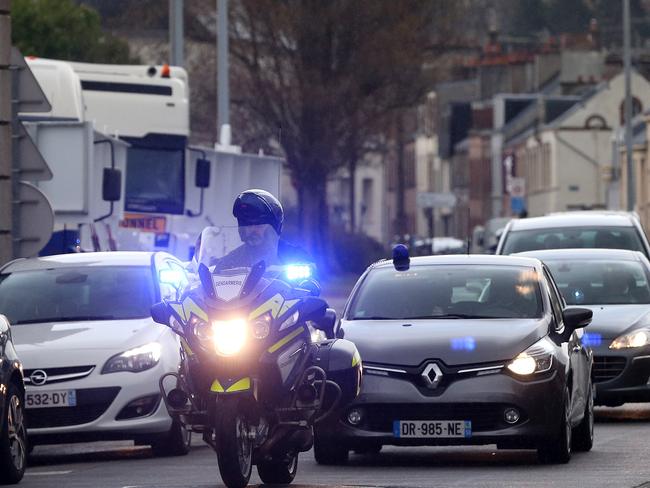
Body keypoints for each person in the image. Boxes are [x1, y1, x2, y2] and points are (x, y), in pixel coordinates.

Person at [204, 189, 313, 271]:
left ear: (274, 227)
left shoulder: (295, 256)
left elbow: (312, 282)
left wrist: (308, 281)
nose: (249, 230)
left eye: (257, 225)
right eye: (246, 225)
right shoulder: (231, 260)